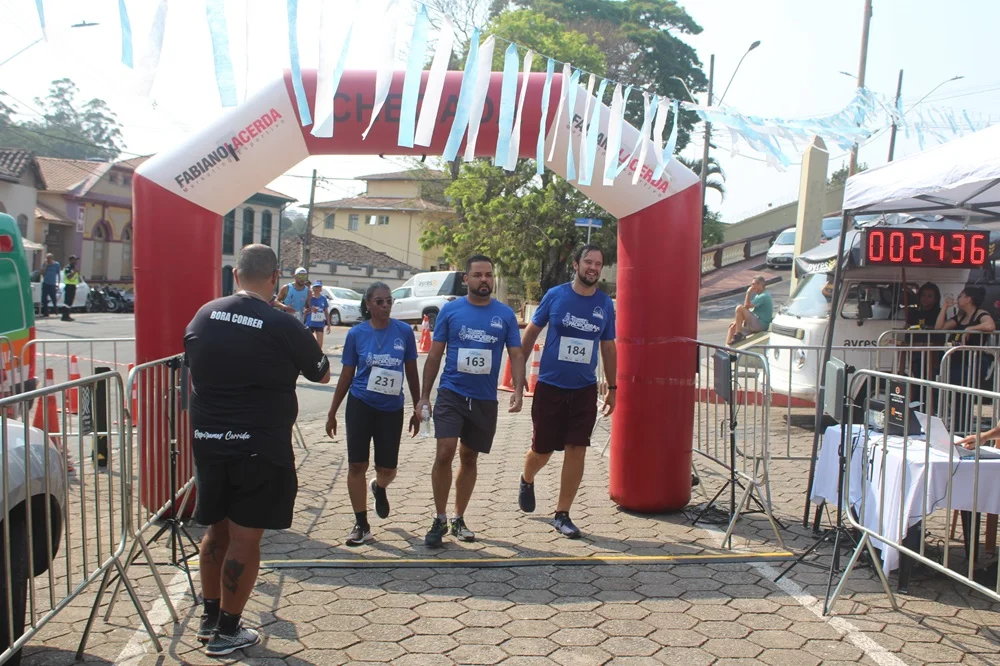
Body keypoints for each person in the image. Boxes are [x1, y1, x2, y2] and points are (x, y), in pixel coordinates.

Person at [183, 245, 331, 656]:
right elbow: (322, 372)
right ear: (276, 279)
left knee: (216, 530)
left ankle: (210, 617)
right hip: (258, 445)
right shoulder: (280, 322)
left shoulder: (204, 314)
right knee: (245, 538)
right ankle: (229, 631)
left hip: (209, 441)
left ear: (234, 274)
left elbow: (193, 359)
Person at [417, 255, 525, 547]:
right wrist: (425, 396)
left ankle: (458, 517)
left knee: (469, 457)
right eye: (477, 275)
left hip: (484, 399)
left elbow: (516, 353)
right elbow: (435, 354)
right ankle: (439, 518)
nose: (484, 280)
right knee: (445, 452)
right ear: (466, 279)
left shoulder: (504, 314)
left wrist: (517, 389)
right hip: (451, 393)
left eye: (488, 275)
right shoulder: (451, 311)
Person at [517, 245, 617, 538]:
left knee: (577, 449)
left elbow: (608, 347)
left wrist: (612, 388)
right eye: (588, 261)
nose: (593, 268)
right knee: (542, 450)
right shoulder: (556, 295)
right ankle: (526, 477)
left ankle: (562, 514)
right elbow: (531, 332)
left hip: (584, 389)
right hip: (550, 386)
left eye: (598, 264)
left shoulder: (604, 304)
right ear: (576, 264)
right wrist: (520, 370)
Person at [325, 282, 421, 545]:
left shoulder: (403, 332)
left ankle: (379, 486)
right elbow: (346, 374)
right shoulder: (356, 334)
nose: (386, 306)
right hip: (361, 404)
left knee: (387, 469)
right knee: (357, 464)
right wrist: (332, 411)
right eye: (379, 302)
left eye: (389, 301)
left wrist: (418, 405)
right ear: (368, 304)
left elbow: (411, 371)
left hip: (391, 409)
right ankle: (361, 523)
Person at [935, 287, 996, 433]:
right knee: (955, 395)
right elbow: (939, 328)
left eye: (961, 296)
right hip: (957, 360)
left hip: (974, 361)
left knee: (965, 395)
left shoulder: (980, 314)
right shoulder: (961, 317)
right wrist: (944, 308)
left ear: (969, 299)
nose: (958, 299)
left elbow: (990, 325)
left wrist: (971, 329)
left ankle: (963, 428)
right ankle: (957, 427)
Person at [726, 276, 773, 345]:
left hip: (761, 324)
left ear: (760, 285)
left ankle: (738, 335)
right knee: (732, 328)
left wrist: (748, 293)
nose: (752, 287)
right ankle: (727, 350)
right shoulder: (759, 295)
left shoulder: (763, 296)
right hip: (755, 322)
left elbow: (746, 306)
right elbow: (748, 310)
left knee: (739, 308)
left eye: (753, 284)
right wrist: (737, 322)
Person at [306, 281, 331, 347]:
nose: (317, 289)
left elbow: (326, 311)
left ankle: (318, 355)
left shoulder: (323, 298)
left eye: (318, 287)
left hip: (319, 323)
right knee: (308, 341)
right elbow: (305, 309)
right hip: (310, 322)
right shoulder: (309, 298)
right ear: (313, 288)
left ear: (321, 288)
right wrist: (311, 309)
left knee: (320, 343)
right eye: (315, 287)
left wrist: (328, 323)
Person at [40, 253, 60, 319]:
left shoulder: (56, 265)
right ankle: (46, 313)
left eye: (49, 258)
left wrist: (58, 284)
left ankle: (56, 310)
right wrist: (45, 266)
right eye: (47, 258)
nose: (48, 259)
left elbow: (58, 274)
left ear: (52, 258)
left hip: (52, 284)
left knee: (53, 298)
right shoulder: (45, 264)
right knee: (44, 299)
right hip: (45, 283)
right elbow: (42, 273)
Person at [61, 255, 80, 321]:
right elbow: (69, 276)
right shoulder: (68, 267)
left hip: (73, 286)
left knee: (70, 302)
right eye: (74, 260)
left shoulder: (73, 267)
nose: (76, 261)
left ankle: (67, 315)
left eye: (76, 260)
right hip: (69, 286)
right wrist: (74, 272)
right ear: (70, 260)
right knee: (67, 301)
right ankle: (64, 316)